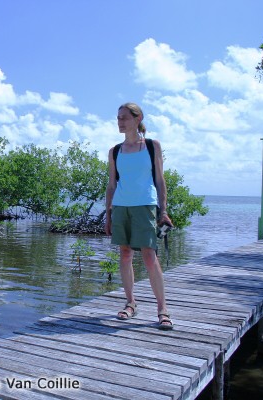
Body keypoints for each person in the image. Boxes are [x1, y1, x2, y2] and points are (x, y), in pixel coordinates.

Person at [104, 102, 174, 330]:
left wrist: (163, 211)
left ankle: (162, 309)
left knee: (149, 256)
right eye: (118, 118)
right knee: (124, 254)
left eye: (124, 117)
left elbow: (160, 180)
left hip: (145, 205)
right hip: (121, 206)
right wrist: (108, 215)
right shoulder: (115, 151)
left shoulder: (152, 146)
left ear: (137, 118)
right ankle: (130, 303)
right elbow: (111, 185)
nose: (120, 122)